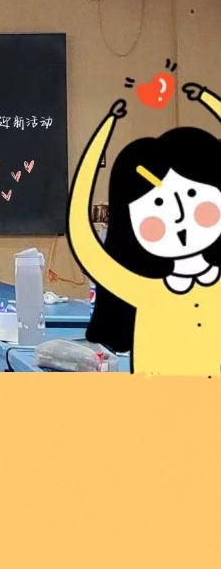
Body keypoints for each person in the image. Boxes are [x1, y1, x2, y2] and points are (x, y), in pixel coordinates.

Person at [68, 83, 221, 376]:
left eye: (193, 196)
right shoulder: (145, 289)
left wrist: (208, 99)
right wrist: (101, 137)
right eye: (158, 205)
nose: (179, 217)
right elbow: (83, 239)